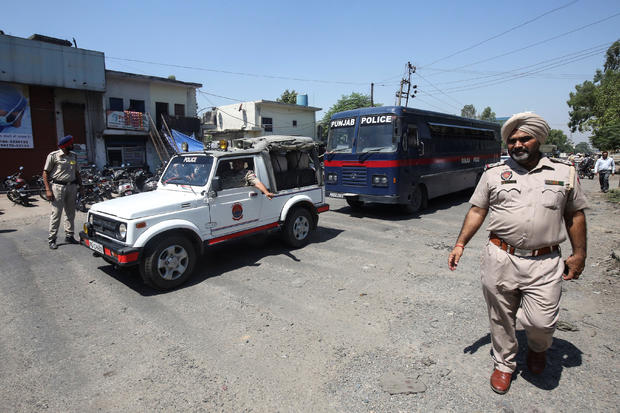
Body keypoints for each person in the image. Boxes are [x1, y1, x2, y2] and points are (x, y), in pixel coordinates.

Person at [447, 112, 587, 395]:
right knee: (500, 315)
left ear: (539, 140)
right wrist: (460, 243)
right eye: (512, 140)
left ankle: (537, 348)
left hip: (545, 261)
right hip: (501, 256)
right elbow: (477, 210)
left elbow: (575, 215)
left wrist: (579, 254)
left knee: (541, 322)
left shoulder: (564, 173)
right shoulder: (493, 173)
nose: (517, 144)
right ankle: (504, 363)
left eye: (525, 138)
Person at [43, 135, 83, 249]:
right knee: (56, 214)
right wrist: (48, 189)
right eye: (71, 144)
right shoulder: (53, 156)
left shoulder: (74, 156)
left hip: (72, 187)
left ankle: (69, 235)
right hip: (57, 188)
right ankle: (52, 239)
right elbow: (45, 173)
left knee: (70, 213)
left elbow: (77, 173)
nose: (73, 145)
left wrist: (81, 186)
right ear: (65, 145)